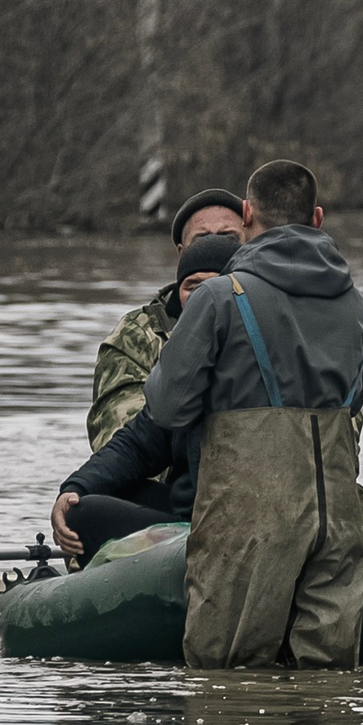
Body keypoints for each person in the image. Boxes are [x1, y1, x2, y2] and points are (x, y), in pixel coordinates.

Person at [142, 158, 363, 670]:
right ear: (317, 217)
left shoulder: (221, 297)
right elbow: (353, 401)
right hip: (337, 517)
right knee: (331, 688)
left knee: (227, 680)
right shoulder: (358, 306)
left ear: (246, 214)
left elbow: (167, 406)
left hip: (249, 516)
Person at [50, 231, 241, 556]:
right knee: (85, 507)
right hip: (191, 511)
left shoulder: (249, 359)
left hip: (238, 519)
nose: (200, 297)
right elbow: (141, 440)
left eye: (213, 286)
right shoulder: (183, 368)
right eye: (192, 286)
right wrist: (75, 488)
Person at [89, 189, 249, 450]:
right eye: (202, 239)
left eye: (229, 239)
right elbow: (116, 433)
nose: (215, 246)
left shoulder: (274, 318)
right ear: (182, 253)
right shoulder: (137, 336)